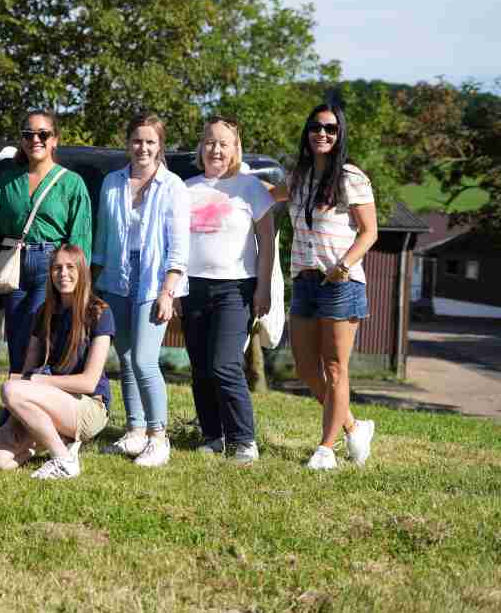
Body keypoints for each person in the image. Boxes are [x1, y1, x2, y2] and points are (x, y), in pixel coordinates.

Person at [271, 103, 378, 470]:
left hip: (340, 283)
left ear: (340, 134)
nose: (322, 134)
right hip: (304, 281)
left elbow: (369, 232)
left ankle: (326, 449)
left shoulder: (351, 177)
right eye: (316, 127)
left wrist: (343, 266)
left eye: (331, 129)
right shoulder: (299, 176)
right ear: (307, 131)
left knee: (335, 368)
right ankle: (353, 426)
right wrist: (231, 176)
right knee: (304, 367)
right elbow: (271, 194)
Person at [0, 110, 93, 378]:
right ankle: (15, 409)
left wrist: (77, 281)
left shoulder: (72, 184)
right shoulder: (5, 183)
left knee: (38, 335)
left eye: (43, 134)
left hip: (53, 266)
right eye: (28, 135)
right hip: (13, 266)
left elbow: (80, 240)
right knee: (17, 338)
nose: (35, 140)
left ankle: (37, 405)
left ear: (55, 140)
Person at [92, 112, 190, 467]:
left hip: (154, 281)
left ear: (160, 146)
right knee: (127, 359)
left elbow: (179, 246)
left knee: (146, 360)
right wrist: (93, 282)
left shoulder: (174, 186)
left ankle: (159, 437)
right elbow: (102, 239)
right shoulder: (112, 183)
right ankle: (134, 431)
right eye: (137, 140)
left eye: (150, 141)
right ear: (128, 143)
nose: (143, 147)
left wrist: (168, 291)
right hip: (116, 280)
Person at [180, 116, 275, 464]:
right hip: (192, 288)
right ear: (200, 147)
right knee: (201, 366)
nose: (215, 149)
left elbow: (267, 243)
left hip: (235, 288)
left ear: (236, 149)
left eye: (223, 143)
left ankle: (244, 439)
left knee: (225, 364)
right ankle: (213, 434)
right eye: (209, 142)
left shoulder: (251, 188)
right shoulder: (185, 188)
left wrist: (263, 289)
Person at [0, 244, 113, 480]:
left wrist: (37, 381)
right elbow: (28, 368)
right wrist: (24, 384)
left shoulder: (99, 312)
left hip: (88, 407)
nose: (63, 274)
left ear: (82, 271)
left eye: (70, 267)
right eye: (57, 268)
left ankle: (63, 460)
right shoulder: (44, 312)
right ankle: (56, 438)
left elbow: (89, 383)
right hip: (47, 402)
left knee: (11, 390)